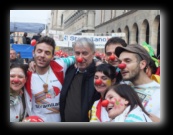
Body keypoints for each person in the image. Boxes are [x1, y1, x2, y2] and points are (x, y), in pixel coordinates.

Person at [24, 36, 75, 122]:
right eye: (39, 51)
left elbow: (79, 57)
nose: (42, 55)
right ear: (34, 53)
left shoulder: (60, 65)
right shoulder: (26, 74)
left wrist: (98, 63)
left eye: (47, 53)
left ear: (52, 56)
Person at [115, 44, 160, 122]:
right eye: (120, 62)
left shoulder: (159, 93)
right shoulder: (119, 90)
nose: (121, 66)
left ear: (142, 64)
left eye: (128, 61)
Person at [59, 37, 100, 122]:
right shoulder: (69, 70)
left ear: (93, 54)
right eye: (77, 53)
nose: (80, 57)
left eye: (85, 53)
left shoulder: (98, 74)